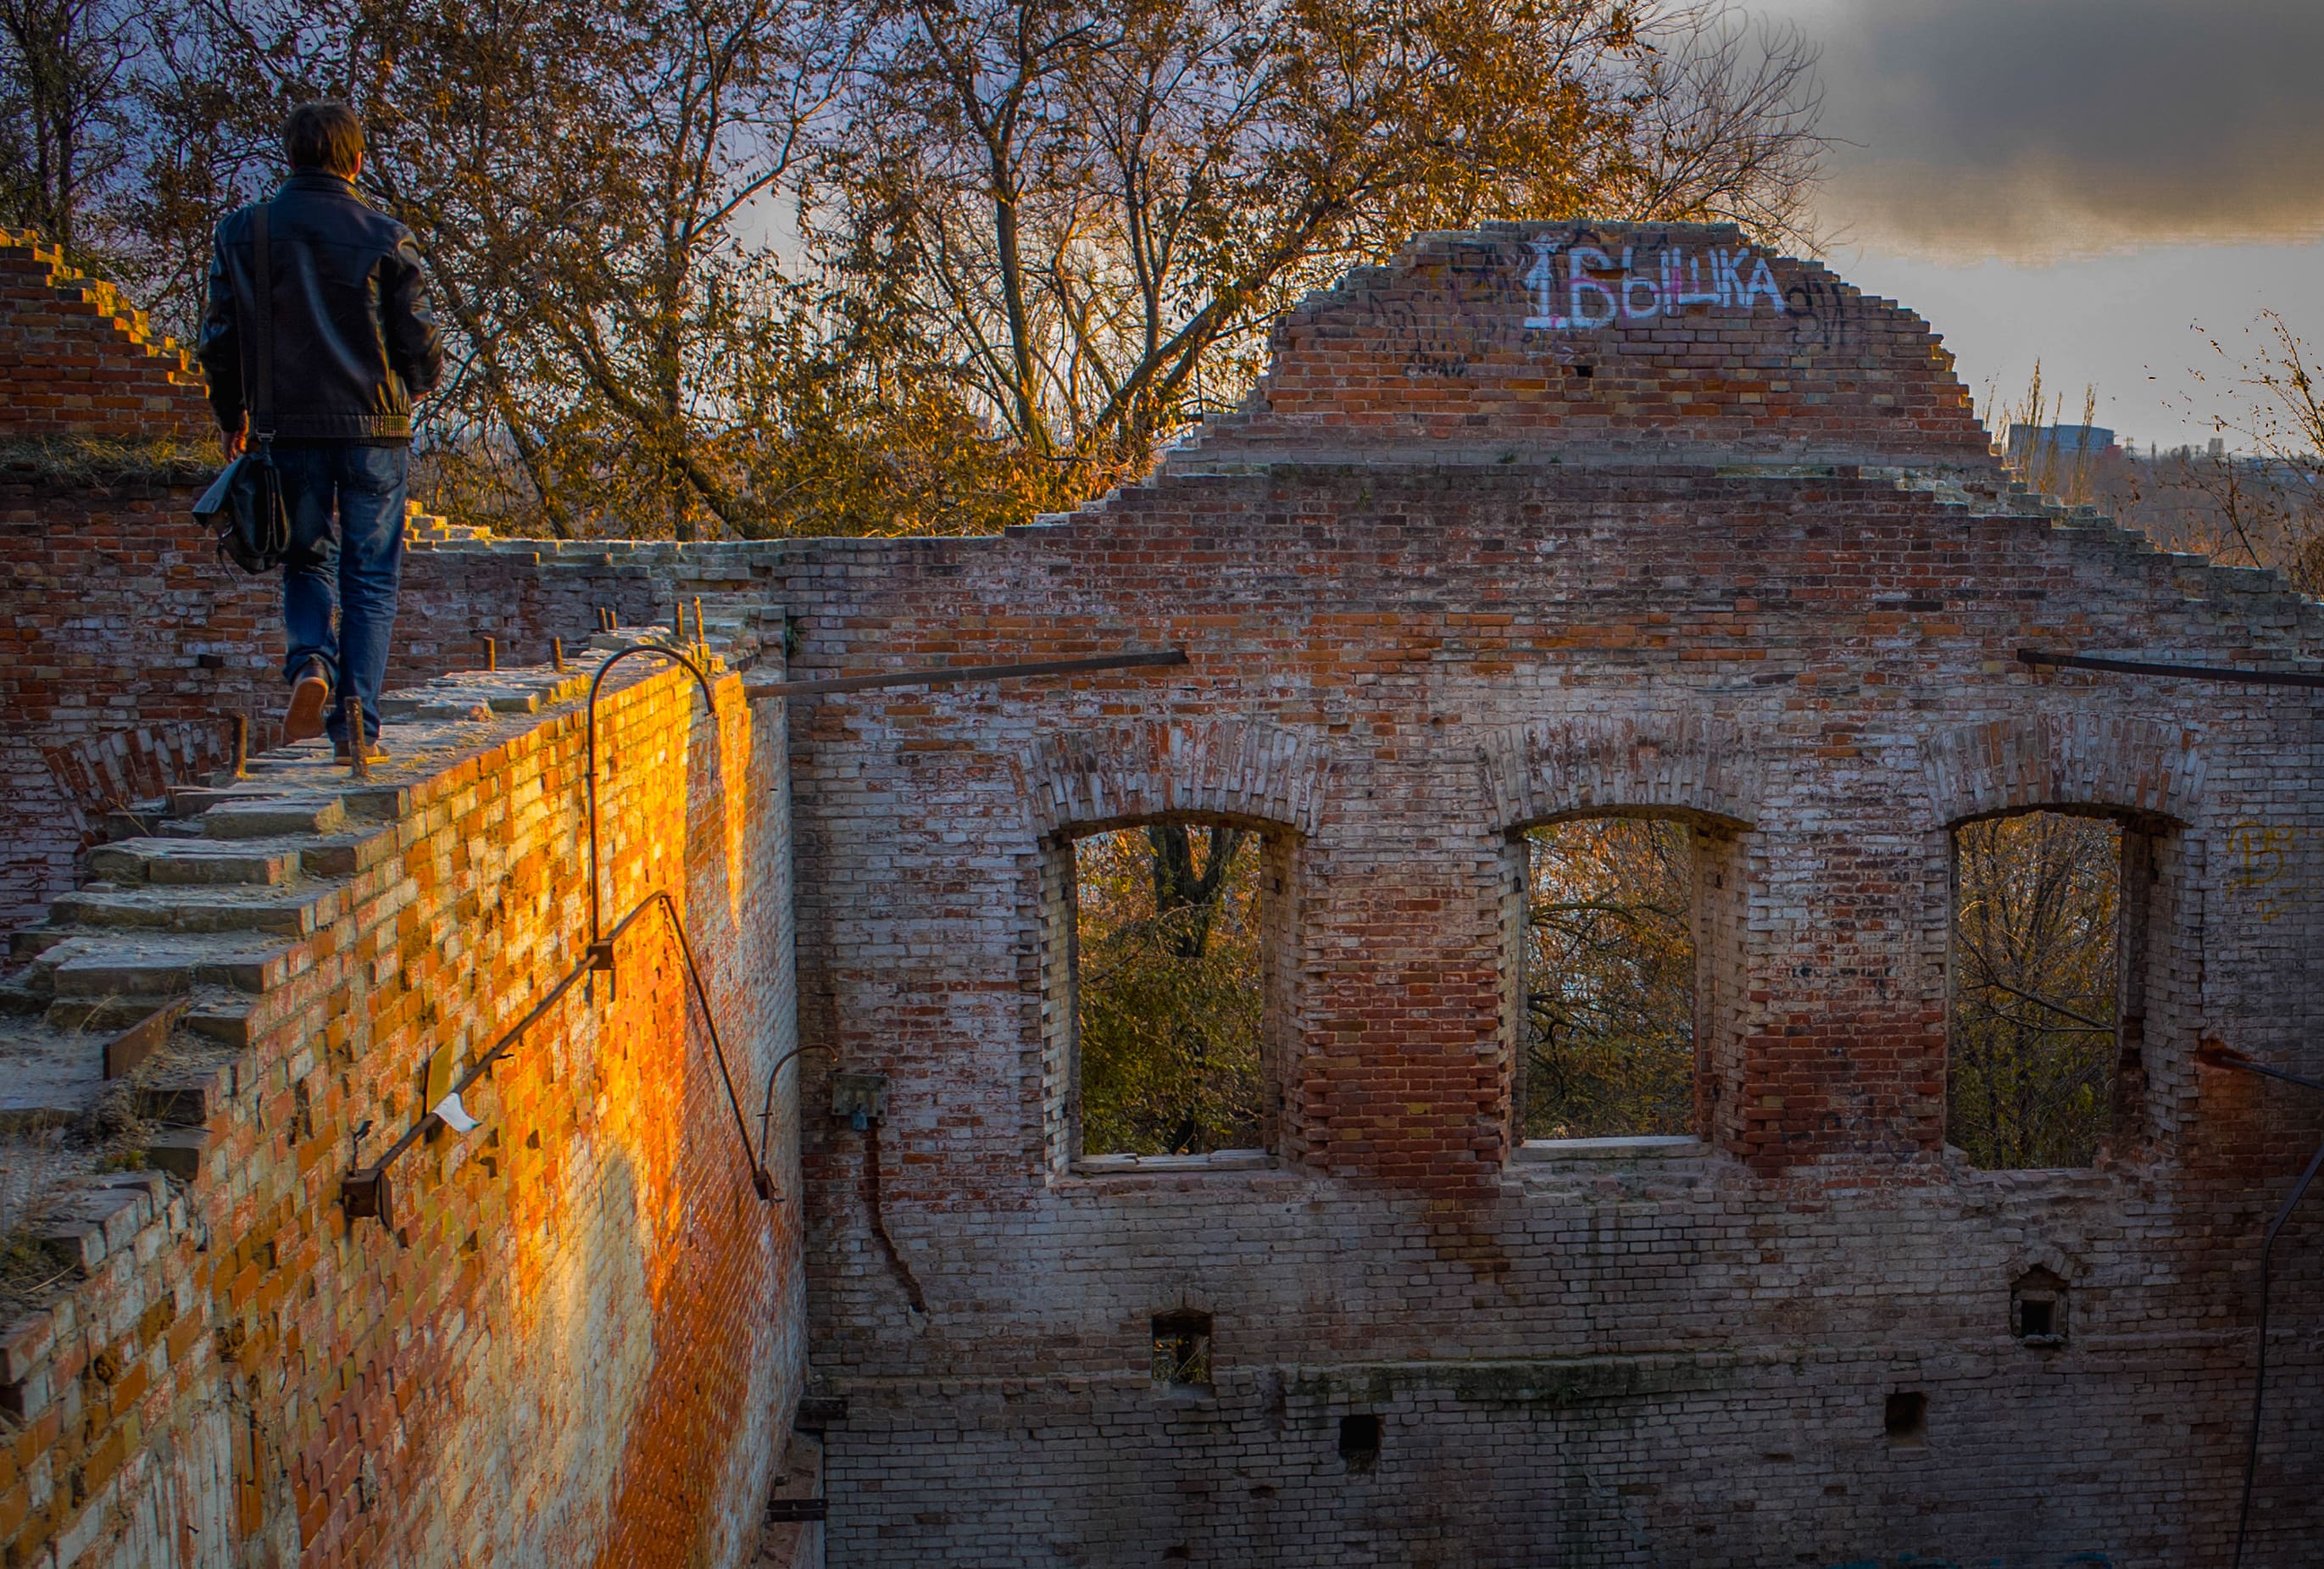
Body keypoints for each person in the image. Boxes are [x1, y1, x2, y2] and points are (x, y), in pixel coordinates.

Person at [197, 101, 443, 764]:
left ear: (291, 158)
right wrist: (418, 382)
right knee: (370, 575)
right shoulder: (386, 236)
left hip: (287, 426)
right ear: (357, 162)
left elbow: (218, 339)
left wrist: (233, 417)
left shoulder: (244, 233)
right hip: (375, 428)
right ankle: (356, 723)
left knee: (305, 555)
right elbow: (418, 338)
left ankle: (310, 663)